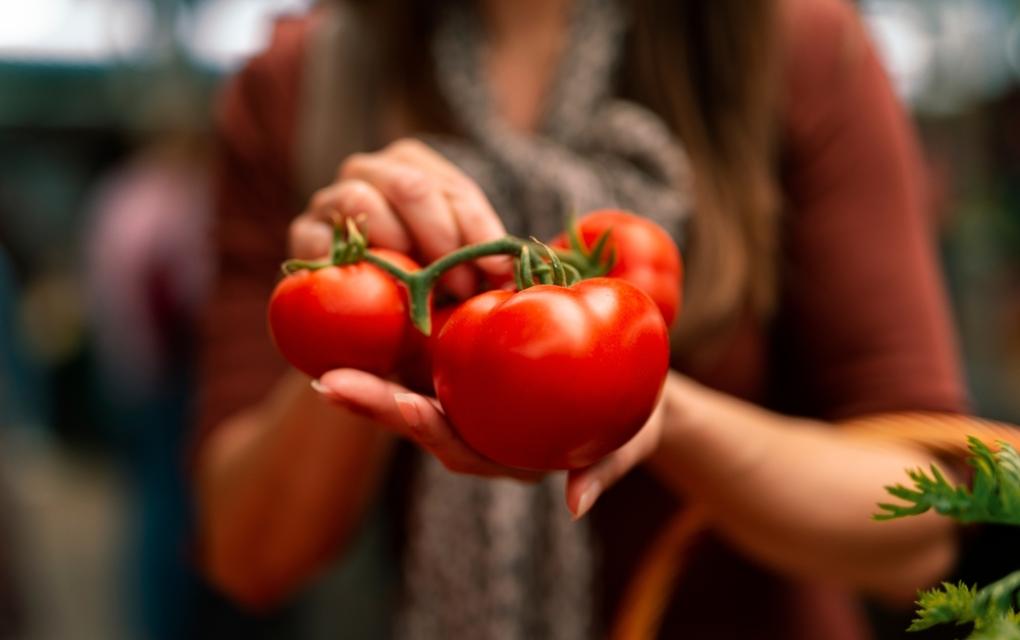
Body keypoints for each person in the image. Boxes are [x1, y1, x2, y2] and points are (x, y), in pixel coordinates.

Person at [193, 0, 970, 637]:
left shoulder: (790, 46)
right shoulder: (305, 83)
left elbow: (926, 518)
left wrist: (662, 416)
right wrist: (369, 318)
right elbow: (247, 555)